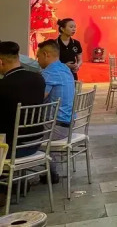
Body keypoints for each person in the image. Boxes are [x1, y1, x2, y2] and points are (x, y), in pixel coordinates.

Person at [37, 39, 75, 183]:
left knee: (20, 135)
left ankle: (16, 177)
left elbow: (38, 98)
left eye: (38, 56)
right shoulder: (65, 69)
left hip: (55, 127)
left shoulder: (49, 73)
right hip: (69, 123)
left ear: (46, 54)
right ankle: (51, 170)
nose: (37, 60)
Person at [0, 41, 46, 158]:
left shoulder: (4, 85)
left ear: (1, 62)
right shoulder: (39, 79)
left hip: (11, 147)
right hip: (37, 141)